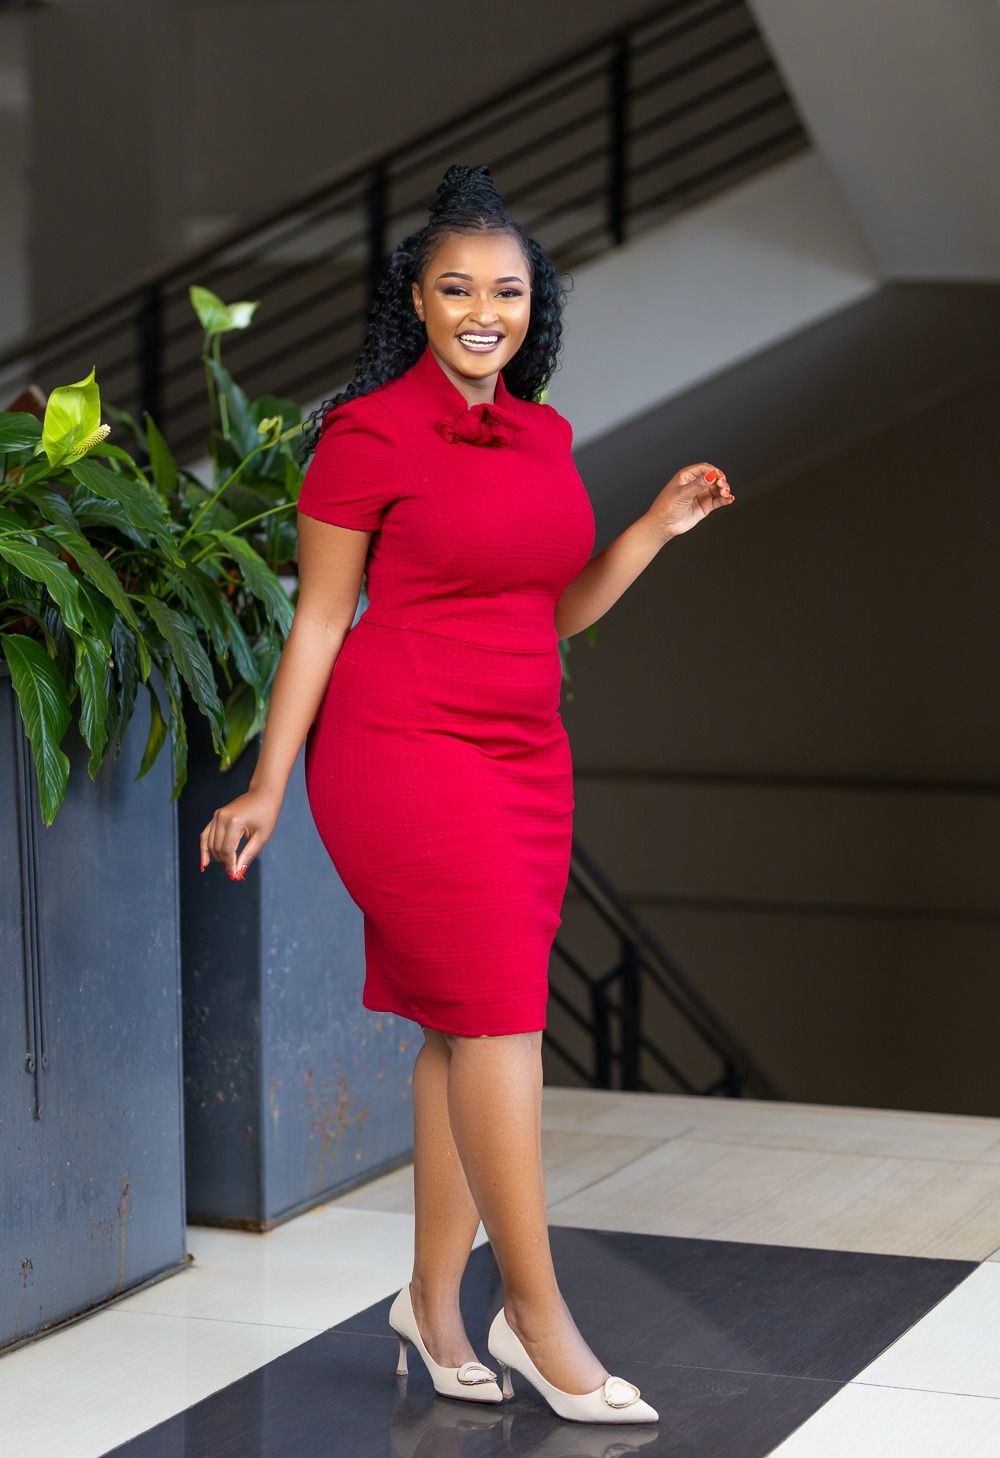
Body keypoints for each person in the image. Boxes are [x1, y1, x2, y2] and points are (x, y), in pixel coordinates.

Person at [198, 162, 733, 1424]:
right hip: (400, 748)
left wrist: (650, 529)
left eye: (506, 289)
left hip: (522, 756)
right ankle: (536, 1318)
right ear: (419, 303)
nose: (483, 310)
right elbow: (320, 622)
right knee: (498, 1022)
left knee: (460, 1026)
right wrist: (268, 783)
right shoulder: (367, 432)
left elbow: (549, 614)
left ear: (530, 304)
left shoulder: (542, 433)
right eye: (456, 288)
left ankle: (429, 1308)